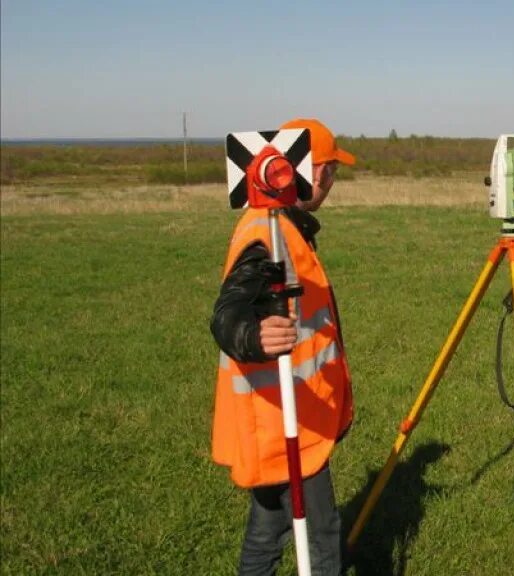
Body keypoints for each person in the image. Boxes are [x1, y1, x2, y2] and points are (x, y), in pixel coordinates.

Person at [210, 118, 356, 575]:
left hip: (281, 413)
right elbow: (229, 310)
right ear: (306, 171)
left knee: (268, 524)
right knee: (322, 535)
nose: (330, 181)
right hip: (285, 418)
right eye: (329, 170)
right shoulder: (265, 232)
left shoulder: (285, 225)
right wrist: (251, 337)